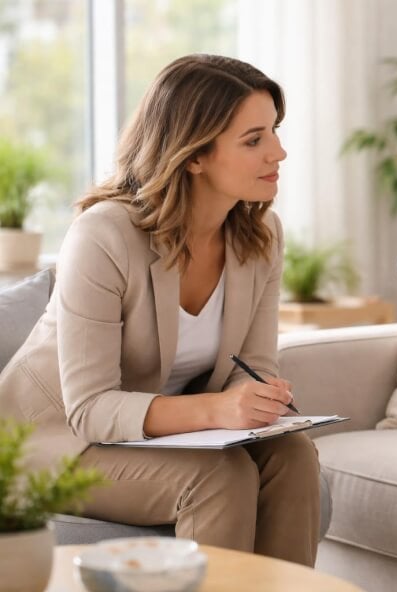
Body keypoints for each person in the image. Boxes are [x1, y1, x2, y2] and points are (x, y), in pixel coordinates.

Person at [0, 54, 321, 565]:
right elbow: (90, 409)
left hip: (163, 436)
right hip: (55, 444)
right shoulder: (103, 235)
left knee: (292, 455)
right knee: (220, 478)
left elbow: (254, 366)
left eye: (274, 132)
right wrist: (216, 410)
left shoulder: (261, 237)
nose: (279, 152)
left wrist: (257, 399)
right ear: (193, 155)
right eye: (254, 139)